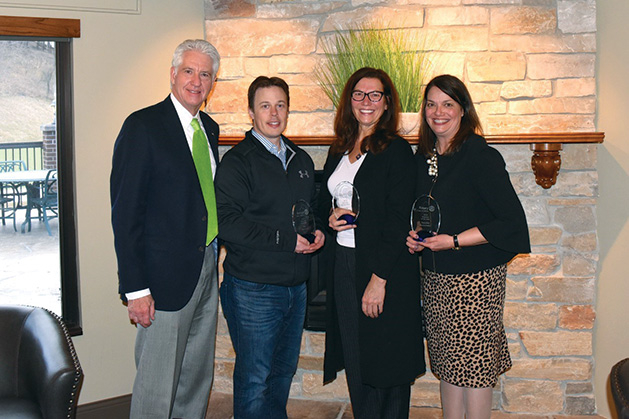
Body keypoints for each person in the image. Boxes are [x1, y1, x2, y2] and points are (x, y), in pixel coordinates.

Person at [406, 74, 530, 419]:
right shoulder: (426, 158)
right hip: (436, 279)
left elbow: (511, 224)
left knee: (473, 370)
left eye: (448, 104)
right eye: (431, 104)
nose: (438, 112)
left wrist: (454, 241)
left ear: (463, 110)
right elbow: (429, 211)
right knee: (448, 366)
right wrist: (416, 235)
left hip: (475, 282)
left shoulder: (479, 155)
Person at [110, 39, 221, 418]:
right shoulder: (142, 126)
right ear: (173, 74)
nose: (196, 80)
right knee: (157, 388)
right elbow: (125, 215)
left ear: (212, 83)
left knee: (194, 379)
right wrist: (136, 289)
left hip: (206, 269)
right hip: (161, 282)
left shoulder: (209, 128)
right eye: (189, 71)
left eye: (205, 74)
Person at [214, 76, 325, 419]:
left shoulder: (302, 160)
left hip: (296, 289)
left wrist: (317, 232)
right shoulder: (238, 161)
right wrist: (287, 241)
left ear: (288, 109)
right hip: (253, 290)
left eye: (280, 105)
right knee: (254, 379)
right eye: (265, 105)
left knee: (281, 375)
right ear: (251, 112)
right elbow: (227, 225)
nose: (274, 113)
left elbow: (308, 212)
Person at [319, 67, 425, 419]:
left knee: (387, 367)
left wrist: (379, 280)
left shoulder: (396, 151)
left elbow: (399, 219)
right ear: (349, 101)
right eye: (359, 95)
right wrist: (330, 218)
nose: (366, 102)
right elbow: (326, 199)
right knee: (356, 357)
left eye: (375, 95)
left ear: (387, 103)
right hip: (345, 263)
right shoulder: (339, 148)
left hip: (385, 269)